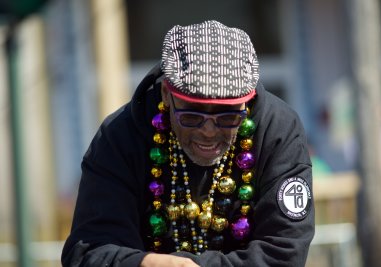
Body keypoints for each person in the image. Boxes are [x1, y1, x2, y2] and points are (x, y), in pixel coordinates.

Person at [61, 20, 315, 267]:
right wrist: (147, 263)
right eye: (192, 116)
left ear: (246, 103)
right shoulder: (119, 137)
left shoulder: (279, 131)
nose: (208, 131)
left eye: (227, 117)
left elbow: (284, 252)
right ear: (166, 95)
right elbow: (88, 251)